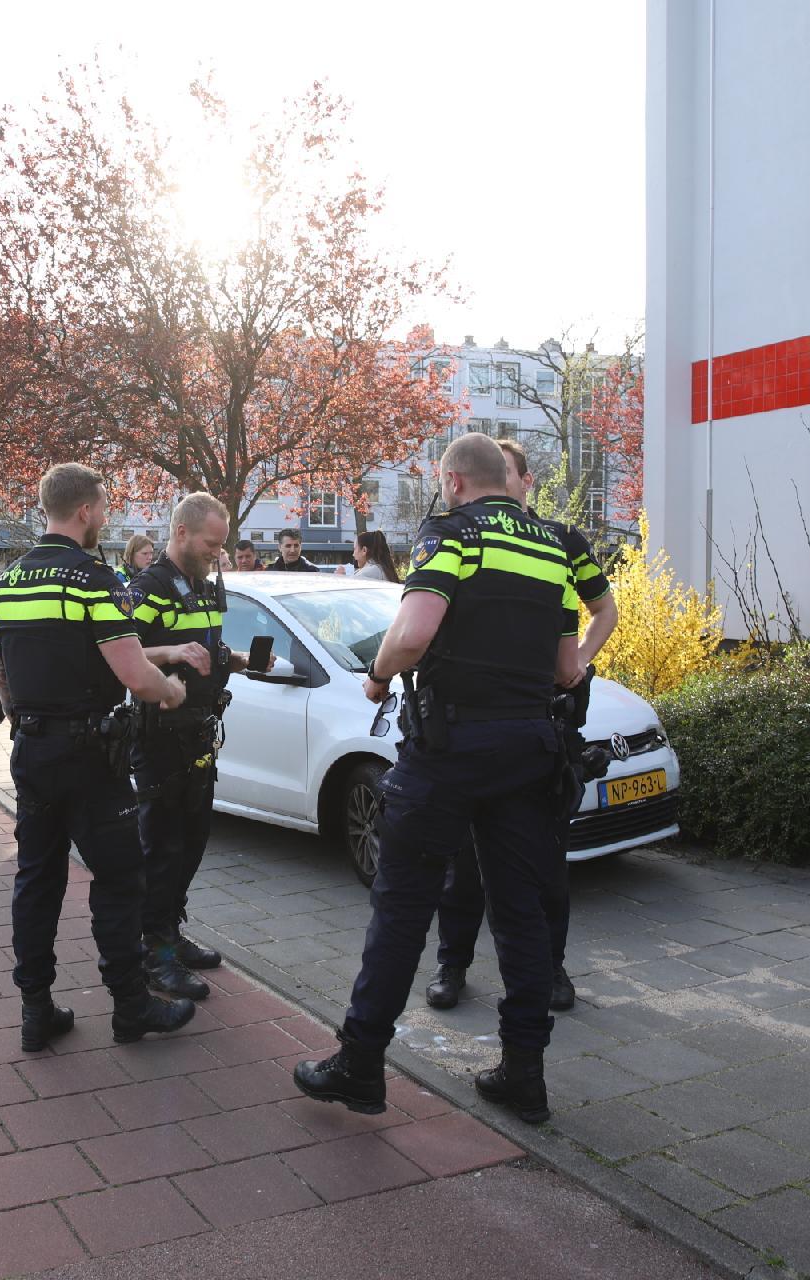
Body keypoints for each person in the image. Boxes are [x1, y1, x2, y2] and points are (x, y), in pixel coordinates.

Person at [293, 434, 581, 1124]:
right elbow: (568, 667)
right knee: (520, 916)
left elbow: (416, 628)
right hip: (528, 748)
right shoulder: (550, 545)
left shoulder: (450, 533)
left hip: (450, 749)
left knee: (402, 906)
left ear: (453, 481)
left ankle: (360, 1064)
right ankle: (524, 1075)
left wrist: (378, 675)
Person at [0, 463, 197, 1053]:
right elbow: (133, 672)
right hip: (91, 755)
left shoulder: (11, 581)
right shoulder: (92, 578)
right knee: (120, 876)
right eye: (102, 507)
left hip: (32, 750)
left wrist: (24, 727)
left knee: (37, 878)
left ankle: (36, 1009)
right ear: (84, 511)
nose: (105, 517)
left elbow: (1, 669)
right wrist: (171, 690)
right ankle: (131, 1007)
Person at [424, 437, 618, 1015]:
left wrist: (576, 664)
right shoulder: (465, 534)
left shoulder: (560, 541)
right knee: (463, 864)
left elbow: (604, 608)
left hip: (543, 723)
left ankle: (550, 969)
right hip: (481, 721)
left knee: (543, 862)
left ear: (525, 481)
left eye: (507, 473)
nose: (499, 483)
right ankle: (452, 964)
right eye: (493, 472)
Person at [126, 493, 251, 1000]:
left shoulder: (203, 585)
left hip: (199, 732)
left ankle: (170, 934)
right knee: (162, 845)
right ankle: (152, 953)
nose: (217, 553)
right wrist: (170, 651)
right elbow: (118, 647)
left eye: (222, 545)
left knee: (193, 840)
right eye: (210, 543)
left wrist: (235, 659)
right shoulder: (151, 585)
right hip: (159, 736)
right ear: (181, 532)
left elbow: (205, 645)